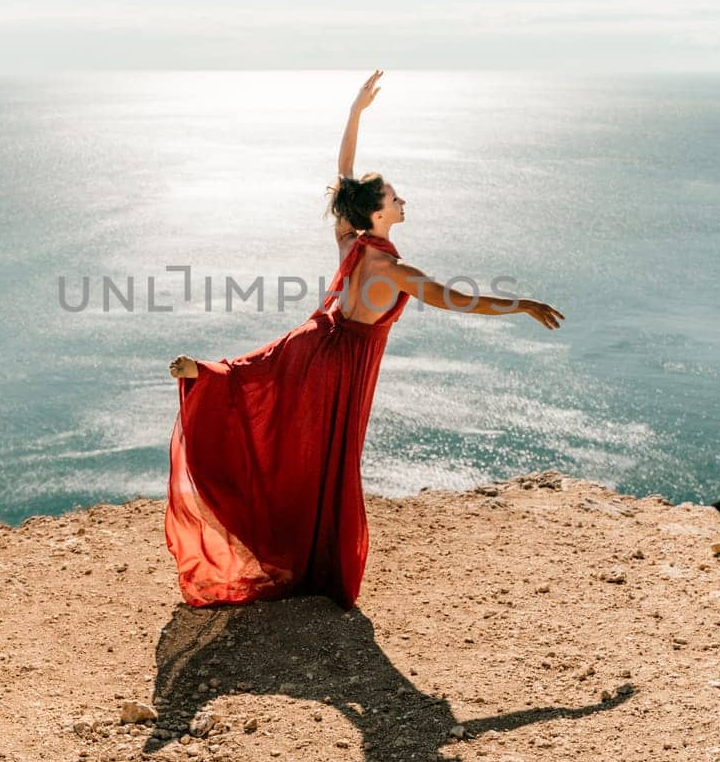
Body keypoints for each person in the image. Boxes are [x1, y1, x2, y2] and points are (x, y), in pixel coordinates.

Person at [164, 70, 565, 608]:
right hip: (343, 364)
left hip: (313, 340)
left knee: (270, 404)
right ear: (378, 213)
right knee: (325, 460)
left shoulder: (349, 239)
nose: (404, 202)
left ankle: (208, 375)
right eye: (396, 198)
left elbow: (344, 176)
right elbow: (455, 298)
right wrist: (521, 304)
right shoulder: (393, 268)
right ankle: (316, 566)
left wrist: (355, 112)